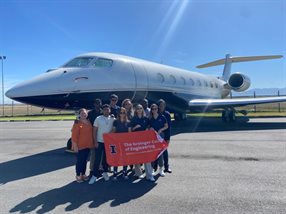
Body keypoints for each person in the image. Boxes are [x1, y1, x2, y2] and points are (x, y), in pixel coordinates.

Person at [89, 104, 115, 184]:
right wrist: (95, 141)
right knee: (97, 159)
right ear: (102, 110)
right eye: (105, 110)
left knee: (106, 159)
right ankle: (94, 175)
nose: (106, 111)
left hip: (108, 142)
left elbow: (115, 128)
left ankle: (104, 172)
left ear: (110, 110)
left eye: (108, 109)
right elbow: (94, 130)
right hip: (99, 141)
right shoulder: (98, 118)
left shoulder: (113, 119)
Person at [131, 104, 155, 182]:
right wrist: (135, 127)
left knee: (147, 158)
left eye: (141, 108)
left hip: (145, 142)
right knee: (137, 158)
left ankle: (149, 174)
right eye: (138, 108)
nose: (139, 110)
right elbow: (130, 130)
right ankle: (139, 173)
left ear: (142, 109)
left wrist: (148, 129)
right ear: (136, 110)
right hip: (136, 141)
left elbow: (149, 127)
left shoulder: (146, 119)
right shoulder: (133, 119)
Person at [71, 108, 94, 183]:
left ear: (87, 114)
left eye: (85, 113)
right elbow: (74, 135)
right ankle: (78, 175)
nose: (83, 114)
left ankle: (83, 174)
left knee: (84, 161)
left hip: (87, 145)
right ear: (79, 115)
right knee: (79, 161)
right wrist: (75, 146)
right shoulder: (77, 123)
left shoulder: (88, 121)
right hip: (80, 146)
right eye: (82, 113)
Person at [149, 103, 168, 177]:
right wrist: (150, 128)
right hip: (153, 138)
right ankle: (152, 169)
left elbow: (166, 126)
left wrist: (161, 129)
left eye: (155, 108)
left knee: (160, 154)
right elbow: (148, 127)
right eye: (153, 109)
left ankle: (161, 169)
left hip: (160, 137)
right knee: (153, 153)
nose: (154, 110)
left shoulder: (162, 117)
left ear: (158, 109)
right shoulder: (150, 118)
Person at [112, 107, 131, 180]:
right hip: (117, 143)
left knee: (125, 158)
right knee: (116, 158)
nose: (122, 114)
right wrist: (106, 136)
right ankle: (115, 172)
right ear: (118, 114)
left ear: (126, 113)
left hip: (125, 143)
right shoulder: (116, 122)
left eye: (124, 112)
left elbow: (129, 133)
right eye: (121, 113)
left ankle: (124, 171)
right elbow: (113, 131)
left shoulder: (128, 122)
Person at [87, 98, 102, 177]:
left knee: (101, 154)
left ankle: (100, 169)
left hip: (102, 136)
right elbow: (85, 121)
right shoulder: (90, 113)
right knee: (93, 154)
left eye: (99, 103)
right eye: (96, 103)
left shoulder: (103, 112)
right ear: (94, 104)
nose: (98, 104)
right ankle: (92, 170)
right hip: (94, 135)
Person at [158, 99, 172, 173]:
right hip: (157, 137)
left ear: (164, 106)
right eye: (160, 106)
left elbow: (169, 127)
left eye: (162, 105)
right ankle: (155, 167)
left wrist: (168, 138)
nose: (161, 107)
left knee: (164, 151)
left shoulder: (167, 114)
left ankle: (166, 167)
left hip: (164, 136)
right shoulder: (156, 113)